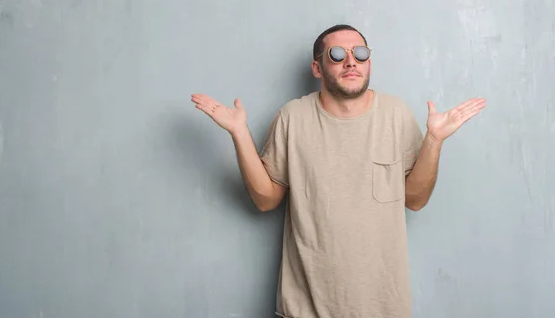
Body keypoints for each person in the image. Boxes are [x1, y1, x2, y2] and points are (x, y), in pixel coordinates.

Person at [191, 24, 485, 318]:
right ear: (317, 68)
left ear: (369, 62)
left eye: (360, 53)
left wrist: (434, 140)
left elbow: (415, 199)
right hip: (305, 308)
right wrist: (239, 134)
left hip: (383, 309)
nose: (350, 61)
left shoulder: (396, 114)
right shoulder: (292, 117)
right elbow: (266, 200)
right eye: (336, 54)